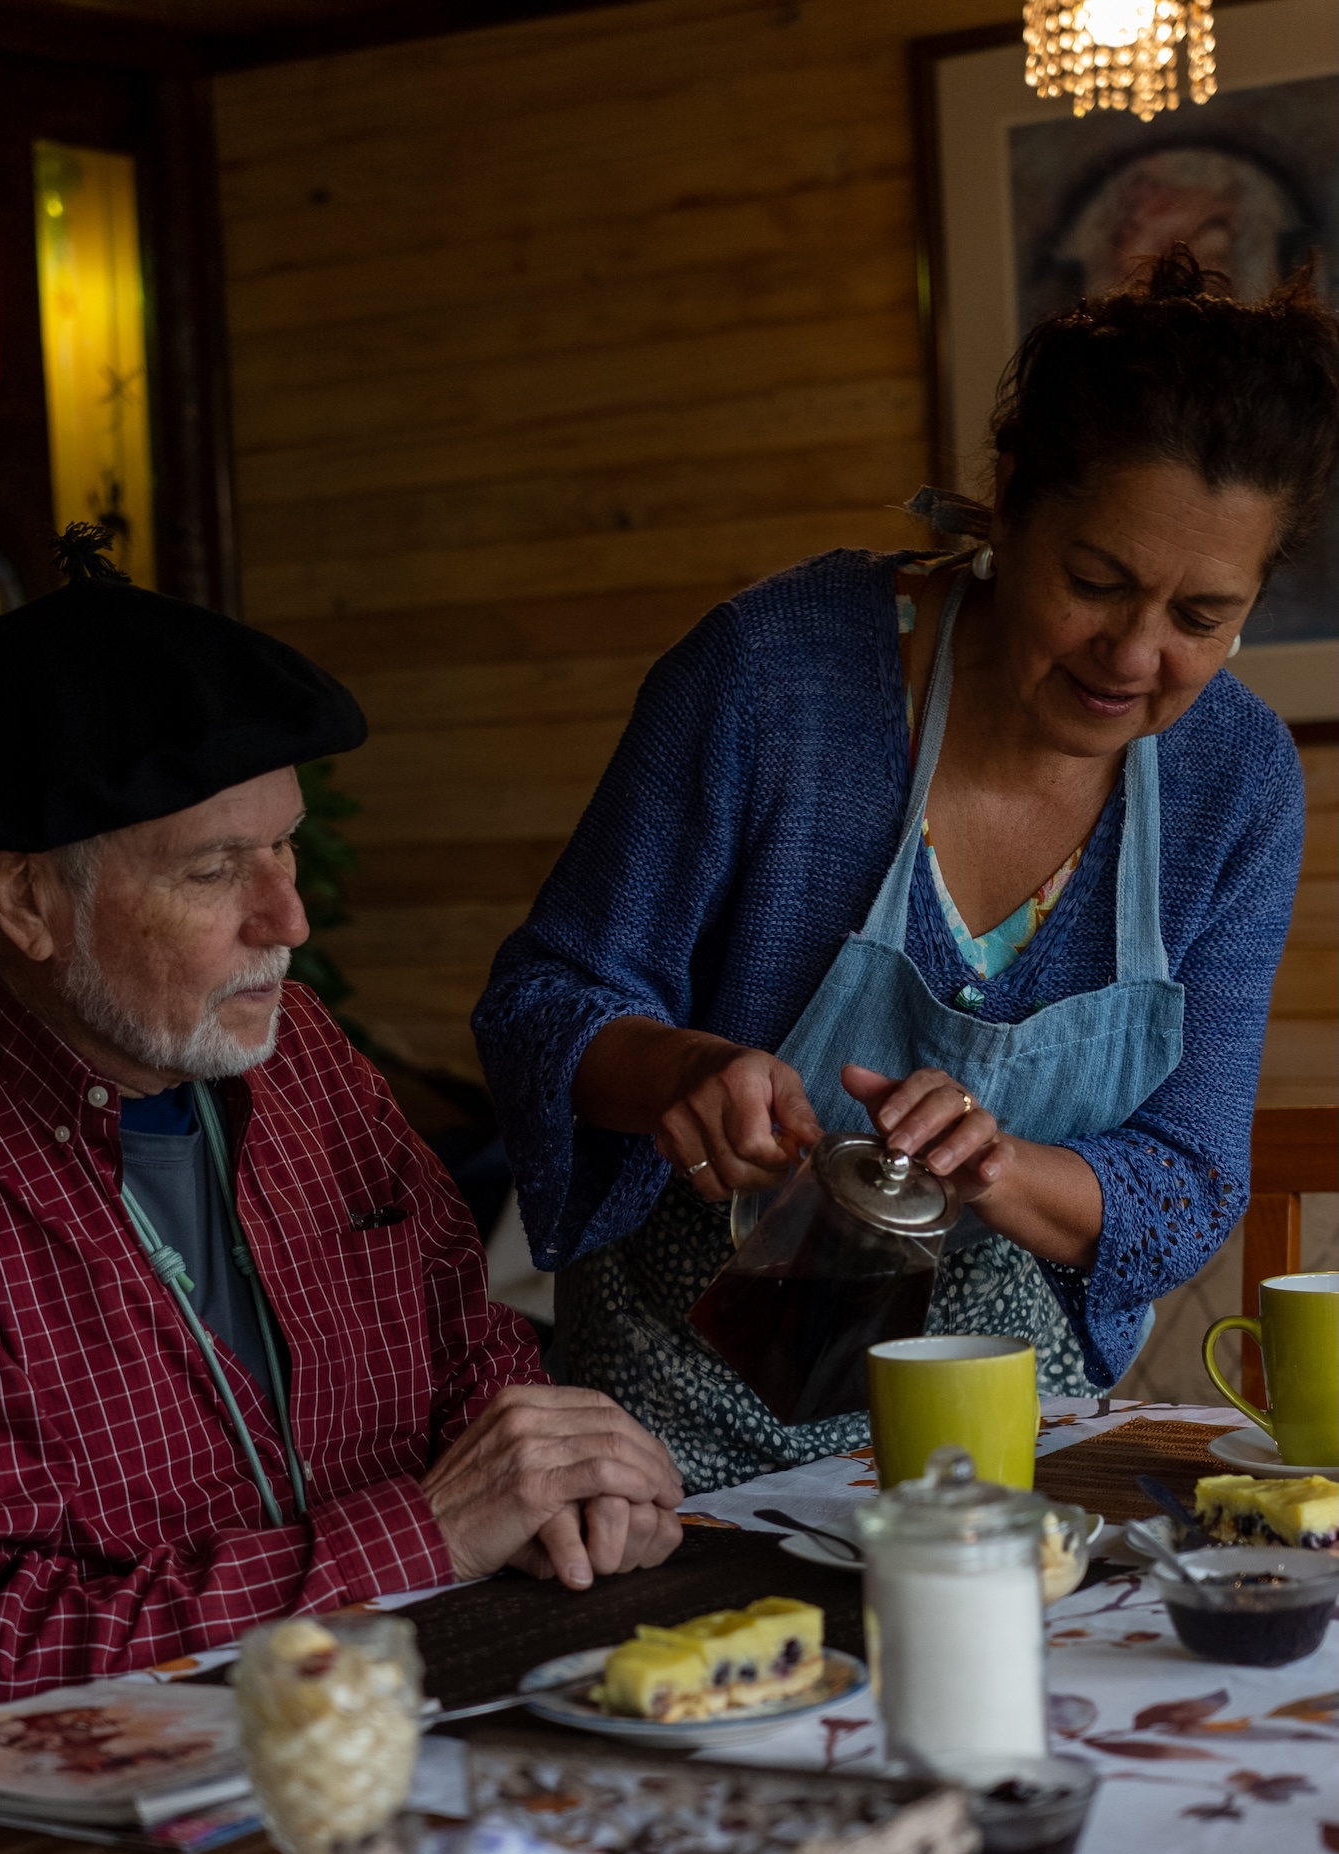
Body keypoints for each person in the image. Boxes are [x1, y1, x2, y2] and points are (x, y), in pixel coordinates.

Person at [474, 250, 1338, 1488]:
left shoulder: (1233, 779)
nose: (1133, 654)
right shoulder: (771, 678)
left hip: (1006, 1433)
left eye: (1199, 617)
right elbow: (541, 1002)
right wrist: (686, 1065)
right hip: (676, 1424)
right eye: (1093, 582)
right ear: (1006, 505)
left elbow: (1189, 1176)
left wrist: (997, 1164)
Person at [0, 528, 681, 1725]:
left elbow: (466, 1352)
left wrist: (559, 1478)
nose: (287, 917)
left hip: (421, 1719)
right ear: (26, 897)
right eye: (212, 872)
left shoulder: (294, 1052)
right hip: (99, 1825)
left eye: (284, 846)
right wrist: (419, 1536)